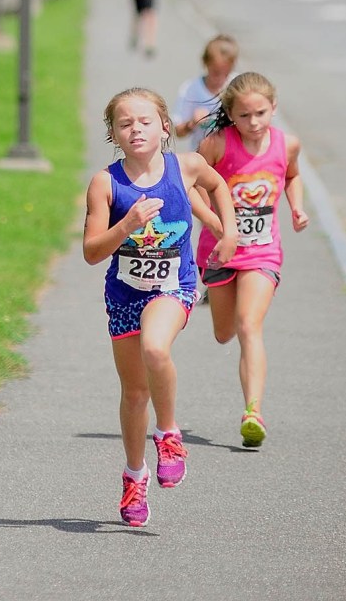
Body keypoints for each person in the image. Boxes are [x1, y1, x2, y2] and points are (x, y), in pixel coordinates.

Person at [83, 87, 238, 527]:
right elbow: (93, 252)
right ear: (114, 133)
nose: (136, 129)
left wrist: (225, 230)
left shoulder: (184, 167)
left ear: (165, 127)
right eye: (125, 123)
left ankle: (169, 434)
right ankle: (135, 476)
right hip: (125, 294)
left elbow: (218, 185)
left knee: (156, 347)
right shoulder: (106, 183)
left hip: (175, 286)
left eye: (145, 121)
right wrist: (128, 224)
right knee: (134, 394)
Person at [195, 72, 309, 448]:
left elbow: (291, 175)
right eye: (244, 116)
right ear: (230, 113)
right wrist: (217, 224)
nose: (254, 123)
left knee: (248, 325)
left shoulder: (286, 144)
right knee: (224, 333)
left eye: (261, 113)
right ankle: (213, 295)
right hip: (218, 251)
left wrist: (297, 208)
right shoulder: (216, 145)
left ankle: (253, 412)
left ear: (274, 108)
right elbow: (191, 186)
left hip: (263, 251)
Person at [172, 34, 239, 151]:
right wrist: (192, 123)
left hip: (231, 155)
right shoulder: (191, 89)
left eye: (226, 73)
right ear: (205, 63)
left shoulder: (238, 84)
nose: (221, 78)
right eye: (216, 72)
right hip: (201, 156)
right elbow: (177, 131)